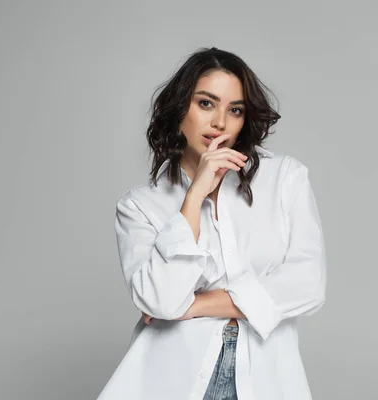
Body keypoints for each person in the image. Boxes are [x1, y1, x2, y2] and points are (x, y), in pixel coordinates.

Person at [96, 47, 327, 400]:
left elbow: (308, 284)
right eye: (206, 103)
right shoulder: (140, 206)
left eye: (235, 110)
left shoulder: (284, 178)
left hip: (265, 380)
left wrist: (193, 306)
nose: (220, 122)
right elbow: (159, 299)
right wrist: (195, 196)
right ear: (179, 109)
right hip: (173, 380)